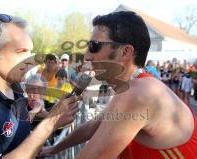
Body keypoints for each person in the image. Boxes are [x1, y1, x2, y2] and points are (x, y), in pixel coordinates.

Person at [40, 11, 197, 159]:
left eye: (94, 46)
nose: (87, 55)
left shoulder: (137, 94)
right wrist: (53, 149)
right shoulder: (137, 85)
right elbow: (92, 127)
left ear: (125, 52)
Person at [0, 14, 80, 159]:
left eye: (30, 51)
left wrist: (48, 115)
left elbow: (14, 133)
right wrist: (50, 123)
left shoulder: (16, 88)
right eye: (21, 51)